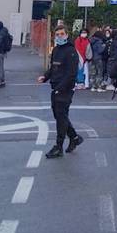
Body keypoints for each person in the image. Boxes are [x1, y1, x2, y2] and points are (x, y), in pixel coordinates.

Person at [38, 25, 83, 159]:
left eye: (62, 34)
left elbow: (71, 74)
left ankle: (58, 146)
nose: (59, 36)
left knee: (61, 117)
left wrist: (60, 89)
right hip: (56, 87)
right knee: (60, 116)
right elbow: (53, 68)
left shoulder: (71, 52)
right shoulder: (56, 49)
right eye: (57, 34)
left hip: (65, 89)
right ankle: (74, 137)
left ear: (67, 35)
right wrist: (45, 77)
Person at [0, 21, 12, 88]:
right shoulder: (5, 31)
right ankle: (2, 81)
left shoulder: (0, 34)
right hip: (3, 52)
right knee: (1, 67)